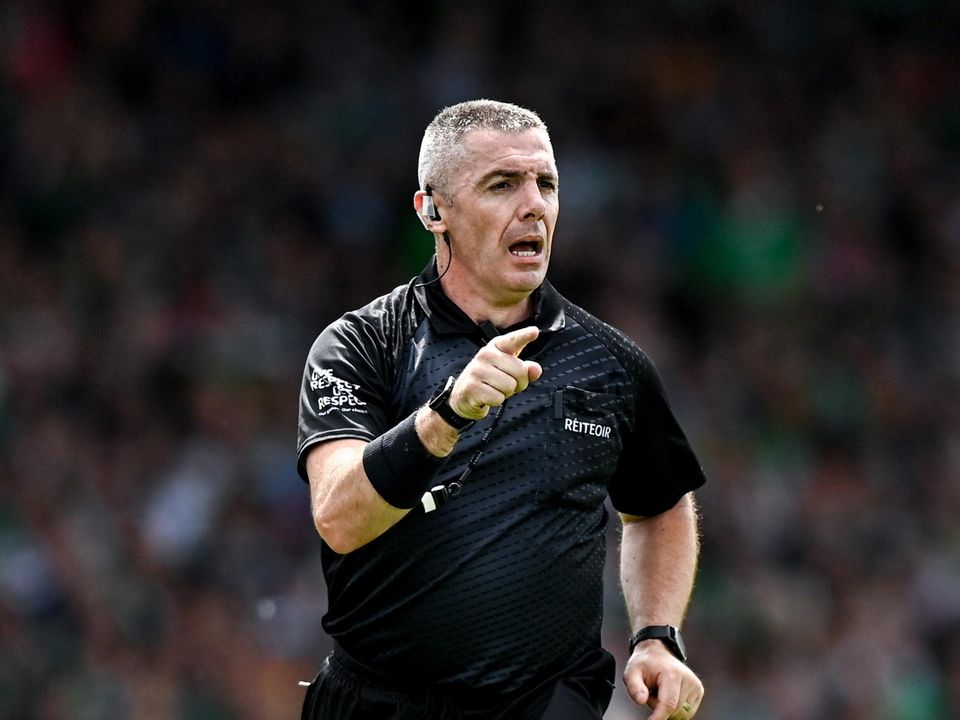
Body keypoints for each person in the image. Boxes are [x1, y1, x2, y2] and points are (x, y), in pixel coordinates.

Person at [296, 99, 706, 720]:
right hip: (375, 702)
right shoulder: (362, 345)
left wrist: (656, 636)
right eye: (502, 184)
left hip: (541, 703)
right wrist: (445, 417)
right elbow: (339, 517)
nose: (534, 204)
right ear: (433, 210)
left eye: (546, 183)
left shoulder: (611, 364)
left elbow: (661, 505)